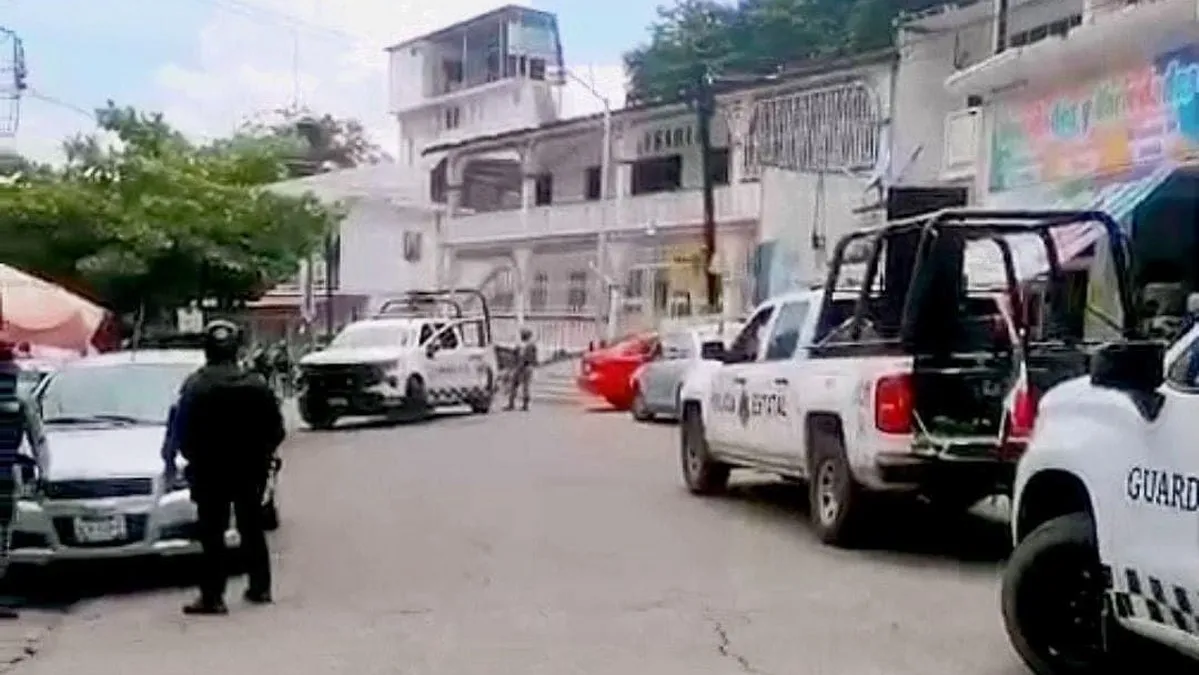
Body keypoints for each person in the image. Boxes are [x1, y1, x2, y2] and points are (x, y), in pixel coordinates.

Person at [166, 319, 285, 616]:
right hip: (250, 470)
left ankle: (213, 597)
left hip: (210, 472)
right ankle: (260, 587)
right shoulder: (256, 384)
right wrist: (263, 456)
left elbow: (179, 429)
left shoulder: (195, 386)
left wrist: (179, 457)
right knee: (252, 528)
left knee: (213, 533)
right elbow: (277, 429)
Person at [0, 343, 45, 619]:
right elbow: (38, 439)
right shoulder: (21, 395)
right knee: (2, 537)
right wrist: (43, 471)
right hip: (4, 476)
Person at [505, 328, 537, 412]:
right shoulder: (531, 345)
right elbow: (534, 359)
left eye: (523, 334)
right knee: (524, 386)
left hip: (522, 367)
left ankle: (513, 404)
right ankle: (523, 404)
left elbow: (516, 356)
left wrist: (514, 367)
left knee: (516, 385)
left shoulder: (522, 346)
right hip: (527, 367)